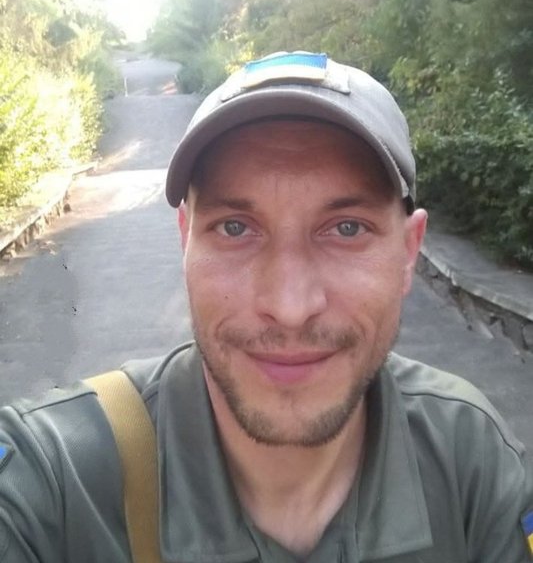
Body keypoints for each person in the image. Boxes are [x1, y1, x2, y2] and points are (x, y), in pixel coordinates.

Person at [0, 51, 531, 563]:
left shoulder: (469, 456)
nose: (290, 307)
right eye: (235, 228)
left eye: (347, 229)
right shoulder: (51, 478)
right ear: (186, 241)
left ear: (408, 252)